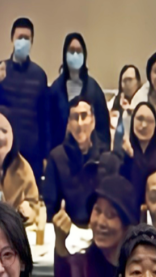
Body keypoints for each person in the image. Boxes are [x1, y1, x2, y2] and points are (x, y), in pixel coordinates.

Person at [50, 172, 137, 277]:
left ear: (126, 226)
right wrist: (60, 241)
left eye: (111, 215)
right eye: (97, 211)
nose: (101, 222)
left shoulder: (137, 271)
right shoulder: (84, 264)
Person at [0, 18, 49, 166]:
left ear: (32, 42)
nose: (23, 41)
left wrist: (46, 155)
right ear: (12, 39)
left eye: (27, 38)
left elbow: (44, 118)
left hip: (32, 153)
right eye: (19, 37)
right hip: (4, 150)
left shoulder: (39, 75)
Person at [42, 96, 120, 224]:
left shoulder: (107, 159)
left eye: (84, 116)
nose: (79, 123)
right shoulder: (56, 158)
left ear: (93, 121)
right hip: (67, 230)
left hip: (99, 228)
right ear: (68, 123)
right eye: (75, 117)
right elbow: (49, 206)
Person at [43, 32, 112, 160]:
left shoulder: (94, 89)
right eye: (71, 51)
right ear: (65, 54)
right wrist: (48, 156)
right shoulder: (55, 89)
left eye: (79, 51)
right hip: (62, 158)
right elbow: (48, 127)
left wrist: (102, 156)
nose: (75, 55)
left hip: (91, 158)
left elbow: (103, 129)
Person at [0, 107, 42, 227]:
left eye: (5, 131)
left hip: (15, 232)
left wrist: (28, 212)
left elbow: (35, 207)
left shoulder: (24, 169)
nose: (0, 137)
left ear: (13, 135)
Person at [110, 63, 143, 153]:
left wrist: (130, 111)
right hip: (115, 152)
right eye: (124, 81)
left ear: (138, 82)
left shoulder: (144, 101)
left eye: (130, 80)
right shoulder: (114, 102)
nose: (127, 84)